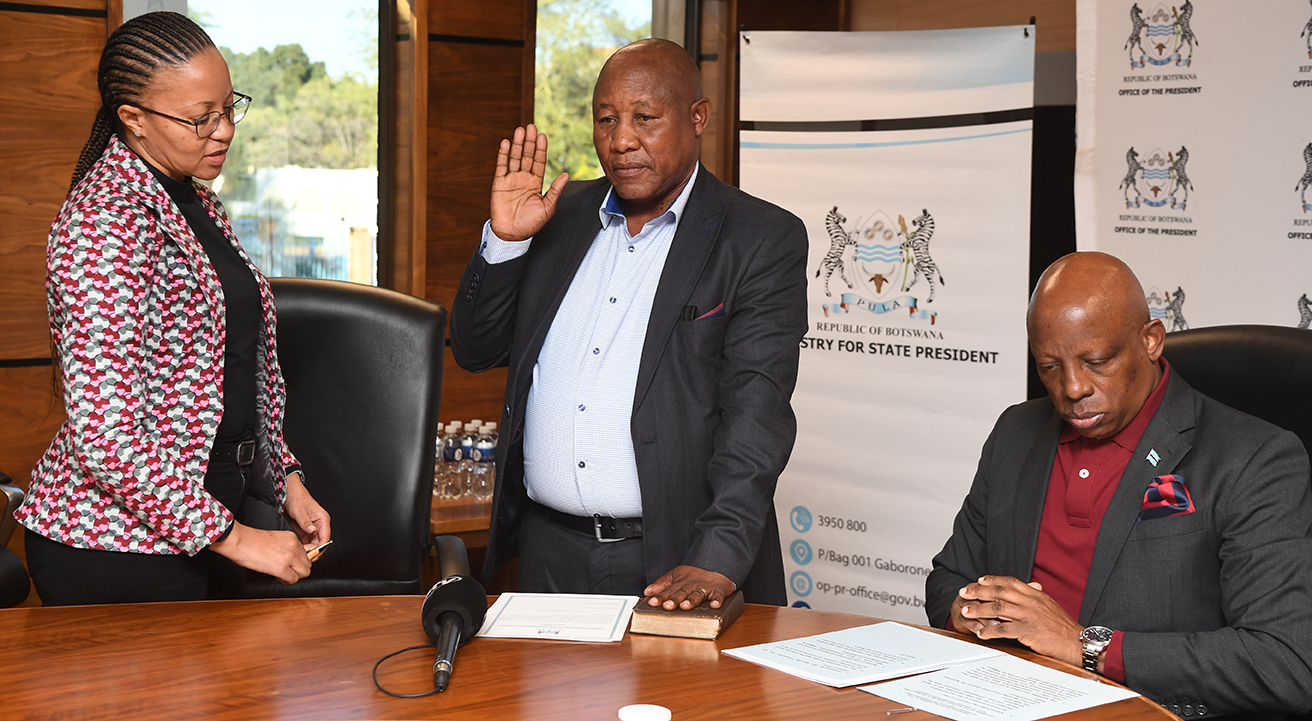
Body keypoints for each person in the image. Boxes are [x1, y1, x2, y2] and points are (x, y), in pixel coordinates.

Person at [450, 38, 807, 610]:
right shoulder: (556, 216)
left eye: (645, 118)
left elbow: (756, 418)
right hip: (544, 553)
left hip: (676, 560)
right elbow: (475, 349)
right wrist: (506, 242)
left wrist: (718, 556)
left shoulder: (759, 238)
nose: (620, 141)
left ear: (697, 117)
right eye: (607, 119)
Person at [16, 11, 330, 605]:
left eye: (229, 108)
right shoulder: (103, 222)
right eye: (199, 118)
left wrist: (285, 479)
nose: (224, 131)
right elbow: (106, 437)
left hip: (211, 523)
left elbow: (235, 371)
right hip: (117, 547)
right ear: (133, 119)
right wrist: (238, 539)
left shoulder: (196, 203)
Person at [926, 252, 1312, 717]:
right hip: (1009, 700)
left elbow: (1285, 662)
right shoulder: (1016, 432)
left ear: (1151, 340)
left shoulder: (1253, 458)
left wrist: (1084, 645)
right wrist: (974, 614)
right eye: (1049, 366)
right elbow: (948, 579)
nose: (1073, 388)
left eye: (1096, 361)